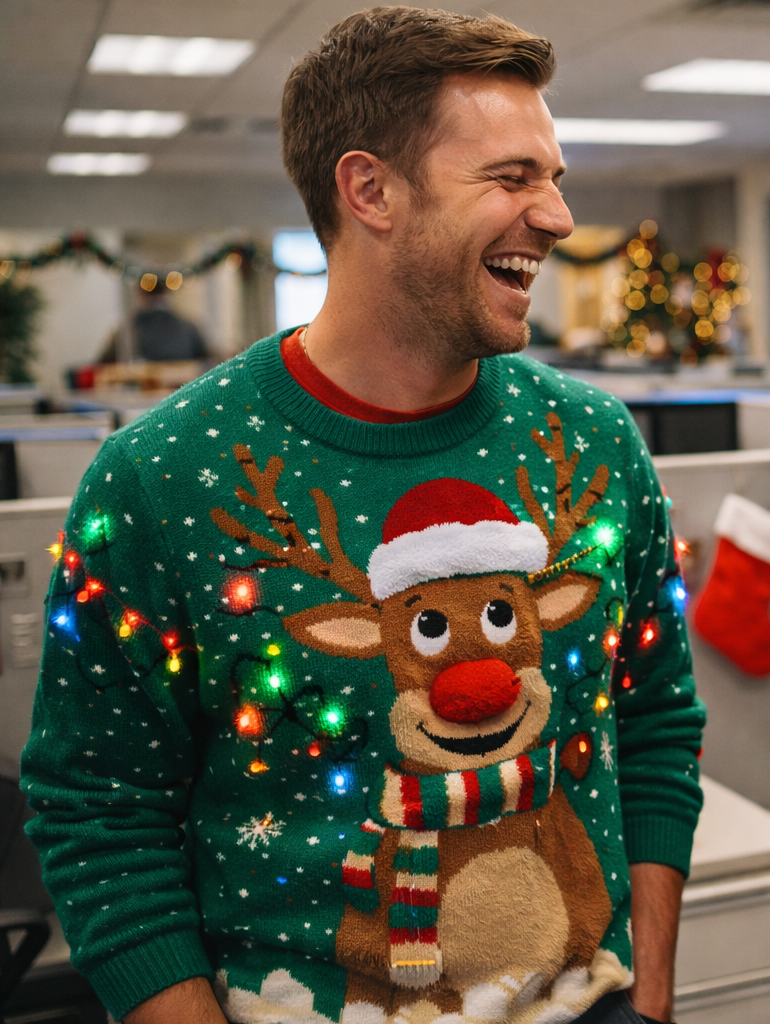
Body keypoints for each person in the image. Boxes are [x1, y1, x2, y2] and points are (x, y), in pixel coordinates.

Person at [22, 8, 704, 1024]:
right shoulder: (160, 478)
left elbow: (655, 718)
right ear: (369, 189)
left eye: (555, 179)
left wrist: (648, 995)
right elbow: (100, 813)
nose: (559, 217)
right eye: (515, 178)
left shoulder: (595, 445)